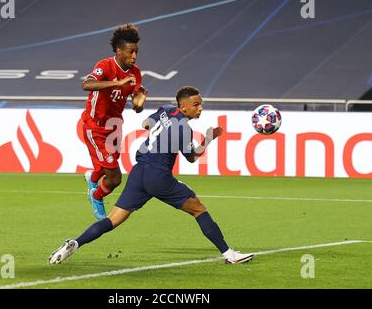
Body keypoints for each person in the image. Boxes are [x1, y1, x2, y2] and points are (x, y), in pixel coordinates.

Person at [49, 86, 254, 265]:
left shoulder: (166, 109)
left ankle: (75, 243)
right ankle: (229, 254)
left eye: (200, 104)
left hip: (139, 172)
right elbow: (192, 157)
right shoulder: (183, 130)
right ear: (183, 107)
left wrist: (159, 130)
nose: (200, 108)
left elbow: (145, 124)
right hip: (158, 177)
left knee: (113, 220)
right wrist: (209, 138)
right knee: (199, 209)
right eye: (196, 104)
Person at [81, 23, 147, 220]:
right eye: (130, 52)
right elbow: (86, 84)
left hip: (115, 127)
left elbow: (136, 105)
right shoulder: (105, 66)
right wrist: (116, 82)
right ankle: (97, 195)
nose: (134, 56)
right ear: (119, 51)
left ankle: (92, 179)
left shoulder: (135, 73)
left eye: (136, 52)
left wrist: (139, 102)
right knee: (115, 178)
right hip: (96, 126)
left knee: (105, 167)